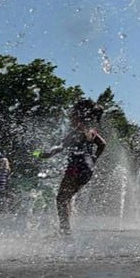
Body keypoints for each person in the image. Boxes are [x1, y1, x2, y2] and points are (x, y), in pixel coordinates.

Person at [38, 99, 106, 235]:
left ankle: (65, 230)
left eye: (72, 114)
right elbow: (103, 144)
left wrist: (37, 154)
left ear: (78, 115)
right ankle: (65, 229)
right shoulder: (91, 131)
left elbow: (56, 149)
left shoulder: (77, 130)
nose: (70, 116)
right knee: (66, 198)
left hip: (76, 167)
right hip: (88, 169)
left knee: (61, 199)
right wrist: (94, 158)